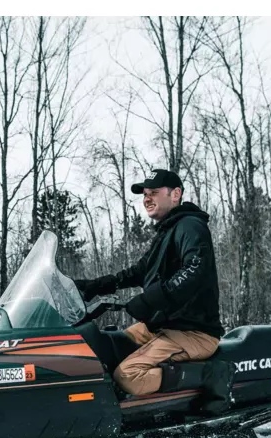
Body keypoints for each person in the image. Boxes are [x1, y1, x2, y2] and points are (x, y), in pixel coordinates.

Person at [74, 168, 223, 397]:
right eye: (145, 194)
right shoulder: (168, 231)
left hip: (194, 332)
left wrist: (150, 300)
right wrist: (97, 285)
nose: (146, 199)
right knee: (111, 345)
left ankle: (211, 374)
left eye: (153, 192)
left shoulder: (191, 226)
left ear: (175, 194)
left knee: (128, 375)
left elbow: (194, 271)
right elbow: (140, 271)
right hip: (166, 325)